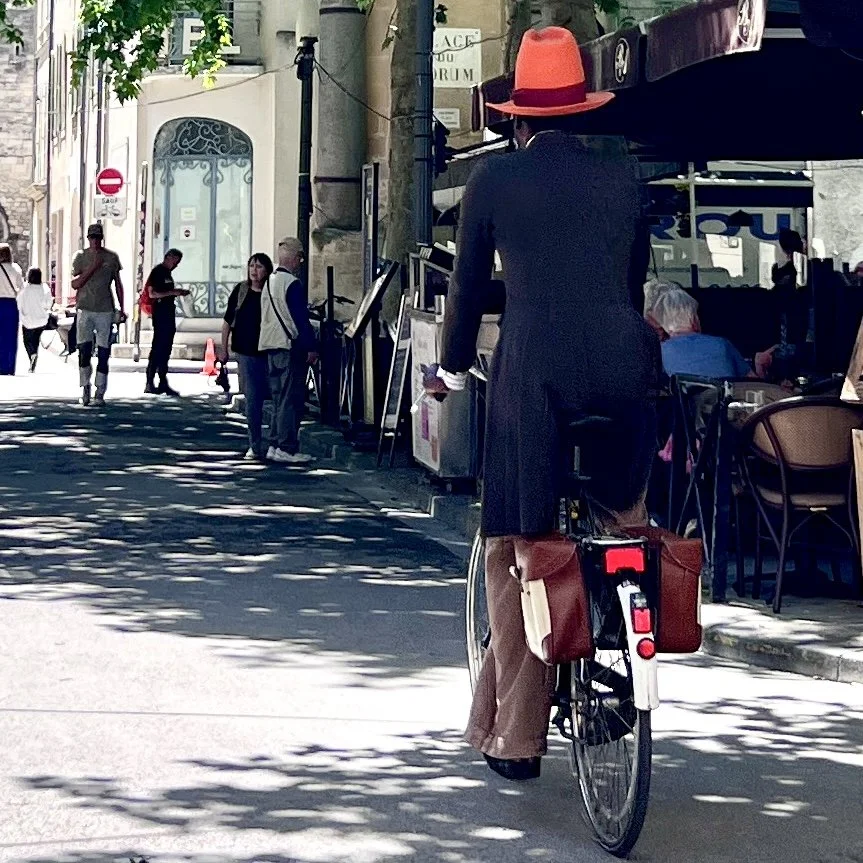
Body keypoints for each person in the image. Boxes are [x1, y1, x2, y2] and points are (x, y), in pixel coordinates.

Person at [425, 27, 661, 782]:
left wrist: (452, 371)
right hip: (625, 368)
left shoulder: (494, 182)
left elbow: (465, 292)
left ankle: (517, 737)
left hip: (534, 375)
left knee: (514, 547)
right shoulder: (623, 178)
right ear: (580, 110)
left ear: (517, 118)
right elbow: (629, 286)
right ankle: (626, 636)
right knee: (624, 516)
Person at [259, 237, 318, 464]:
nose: (301, 263)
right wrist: (311, 347)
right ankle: (286, 446)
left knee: (276, 398)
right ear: (294, 258)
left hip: (270, 346)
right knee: (290, 399)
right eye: (300, 258)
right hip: (288, 346)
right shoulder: (291, 284)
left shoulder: (269, 282)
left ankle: (274, 443)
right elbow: (300, 319)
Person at [219, 253, 273, 460]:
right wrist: (223, 348)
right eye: (251, 266)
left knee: (274, 398)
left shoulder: (271, 293)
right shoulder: (241, 290)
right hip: (245, 352)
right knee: (252, 400)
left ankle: (274, 442)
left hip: (268, 351)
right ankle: (255, 443)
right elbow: (227, 322)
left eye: (259, 267)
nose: (254, 270)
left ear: (267, 270)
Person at [653, 287, 773, 379]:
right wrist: (760, 366)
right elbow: (753, 387)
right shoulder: (722, 345)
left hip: (684, 411)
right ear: (694, 320)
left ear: (664, 325)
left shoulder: (659, 352)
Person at [71, 223, 125, 406]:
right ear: (88, 239)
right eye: (92, 237)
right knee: (84, 350)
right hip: (85, 307)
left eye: (98, 237)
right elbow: (75, 283)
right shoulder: (80, 257)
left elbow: (117, 283)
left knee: (104, 351)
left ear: (102, 238)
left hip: (105, 309)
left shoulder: (111, 258)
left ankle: (100, 389)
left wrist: (122, 308)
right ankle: (84, 385)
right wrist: (93, 267)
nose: (95, 241)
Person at [144, 249, 188, 396]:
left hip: (169, 313)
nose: (176, 265)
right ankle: (150, 381)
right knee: (158, 346)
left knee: (166, 348)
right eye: (175, 261)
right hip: (160, 313)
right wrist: (173, 292)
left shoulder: (168, 274)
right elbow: (152, 293)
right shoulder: (158, 272)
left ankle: (163, 380)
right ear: (168, 257)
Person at [17, 268, 53, 373]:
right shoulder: (45, 288)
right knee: (35, 340)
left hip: (28, 320)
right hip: (41, 320)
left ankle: (32, 356)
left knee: (27, 341)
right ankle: (33, 357)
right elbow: (48, 304)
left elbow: (19, 303)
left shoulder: (25, 288)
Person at [0, 243, 24, 375]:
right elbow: (21, 288)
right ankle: (10, 366)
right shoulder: (15, 269)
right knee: (11, 336)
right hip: (11, 304)